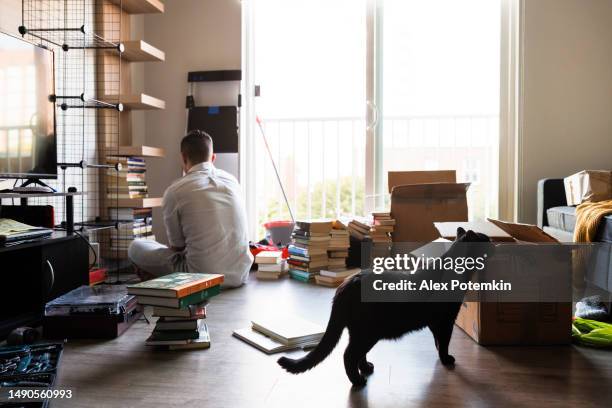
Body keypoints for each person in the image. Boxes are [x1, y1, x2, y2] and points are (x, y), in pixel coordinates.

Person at [128, 130, 253, 288]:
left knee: (136, 246)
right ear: (213, 157)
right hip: (240, 275)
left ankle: (156, 277)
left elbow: (177, 247)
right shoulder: (232, 181)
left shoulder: (175, 191)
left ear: (183, 157)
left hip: (200, 277)